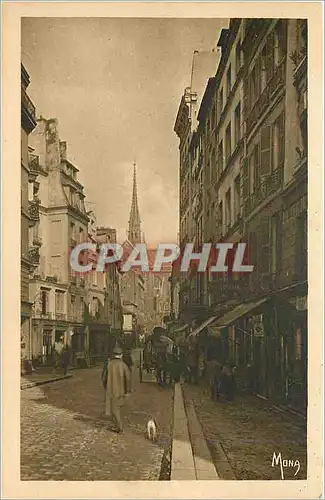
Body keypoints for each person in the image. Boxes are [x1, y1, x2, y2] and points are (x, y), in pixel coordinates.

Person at [104, 345, 130, 433]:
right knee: (116, 409)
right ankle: (117, 426)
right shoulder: (124, 365)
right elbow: (128, 379)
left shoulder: (108, 364)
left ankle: (119, 427)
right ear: (121, 355)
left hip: (111, 390)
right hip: (121, 390)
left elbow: (104, 377)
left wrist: (106, 386)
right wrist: (127, 391)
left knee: (114, 410)